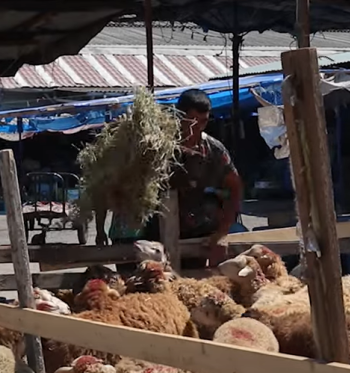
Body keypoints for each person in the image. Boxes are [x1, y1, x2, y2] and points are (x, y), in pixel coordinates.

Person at [97, 89, 243, 270]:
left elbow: (234, 187)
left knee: (189, 284)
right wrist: (99, 227)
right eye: (191, 121)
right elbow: (109, 182)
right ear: (178, 116)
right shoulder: (152, 146)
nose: (195, 128)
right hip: (145, 237)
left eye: (203, 122)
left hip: (190, 232)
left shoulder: (212, 150)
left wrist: (222, 231)